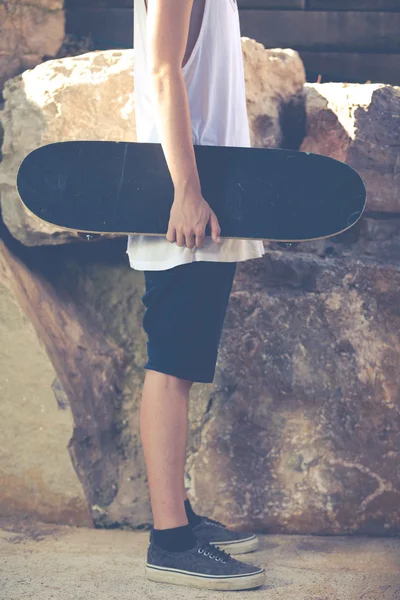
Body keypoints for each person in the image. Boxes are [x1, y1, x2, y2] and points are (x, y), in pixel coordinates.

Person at [126, 0, 266, 591]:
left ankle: (178, 518)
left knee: (180, 367)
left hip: (208, 200)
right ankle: (170, 541)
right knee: (171, 367)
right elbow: (162, 68)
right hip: (189, 207)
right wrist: (186, 189)